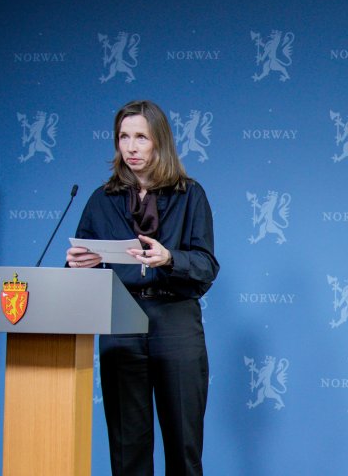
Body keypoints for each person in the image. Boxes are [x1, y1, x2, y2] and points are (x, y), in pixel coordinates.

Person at [66, 99, 219, 476]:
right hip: (121, 323)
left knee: (184, 448)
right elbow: (78, 272)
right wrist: (78, 265)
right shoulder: (102, 199)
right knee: (127, 449)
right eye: (123, 137)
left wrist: (169, 258)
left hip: (175, 321)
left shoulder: (190, 195)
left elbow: (206, 267)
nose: (131, 147)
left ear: (159, 142)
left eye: (141, 138)